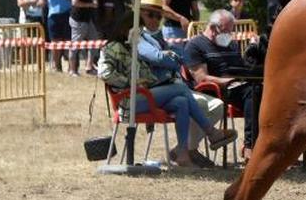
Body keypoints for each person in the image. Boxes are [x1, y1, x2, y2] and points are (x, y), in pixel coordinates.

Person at [99, 12, 236, 168]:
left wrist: (151, 80)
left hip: (145, 94)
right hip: (129, 100)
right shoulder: (112, 48)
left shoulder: (133, 48)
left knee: (181, 102)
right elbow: (105, 73)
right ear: (126, 29)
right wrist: (132, 82)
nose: (141, 33)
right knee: (181, 89)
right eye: (138, 29)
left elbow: (148, 72)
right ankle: (211, 132)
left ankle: (183, 153)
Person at [186, 9, 261, 160]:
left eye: (231, 31)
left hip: (239, 86)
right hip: (215, 90)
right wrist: (229, 81)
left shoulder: (232, 45)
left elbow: (242, 68)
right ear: (213, 28)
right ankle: (250, 147)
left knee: (267, 92)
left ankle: (271, 148)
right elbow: (201, 78)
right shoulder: (195, 45)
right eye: (226, 31)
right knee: (254, 92)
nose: (229, 35)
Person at [69, 0, 104, 76]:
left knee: (94, 41)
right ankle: (72, 70)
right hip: (78, 20)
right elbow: (74, 2)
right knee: (75, 45)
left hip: (88, 20)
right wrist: (90, 4)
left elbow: (92, 0)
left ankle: (89, 67)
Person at [43, 0, 76, 72]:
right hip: (53, 15)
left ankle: (71, 68)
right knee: (55, 42)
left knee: (68, 42)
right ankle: (57, 66)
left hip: (68, 14)